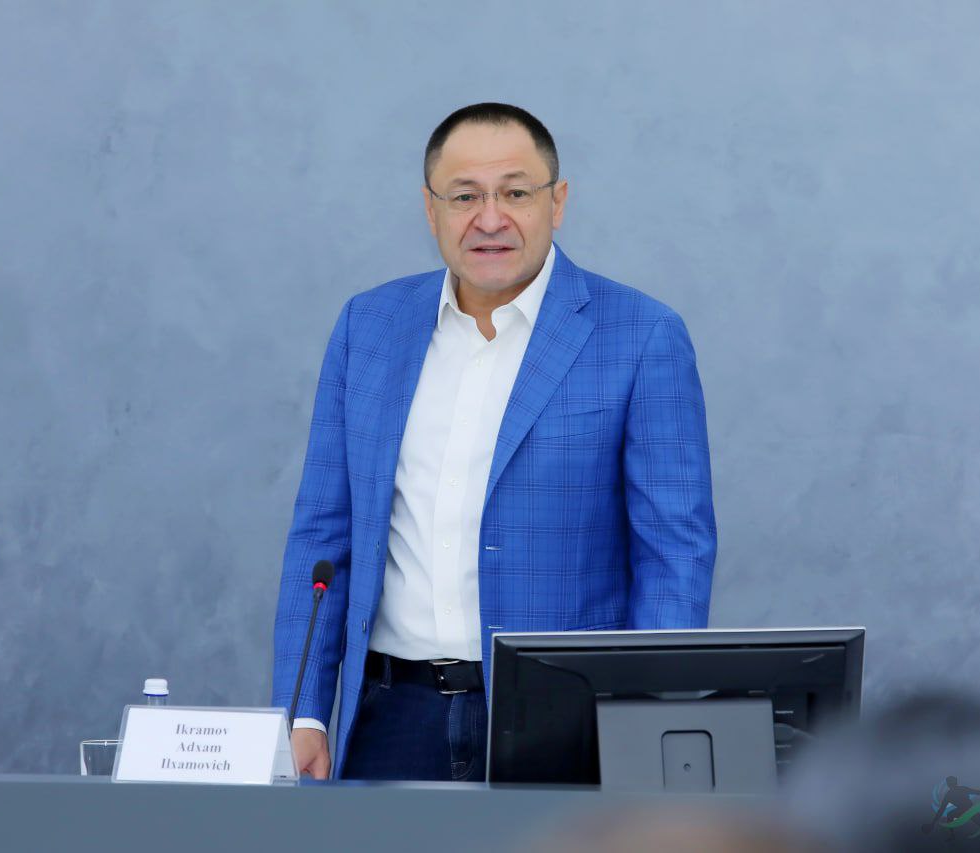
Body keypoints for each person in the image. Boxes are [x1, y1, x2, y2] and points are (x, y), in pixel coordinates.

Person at [271, 103, 717, 781]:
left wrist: (649, 724)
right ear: (430, 210)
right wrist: (304, 713)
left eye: (515, 193)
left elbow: (674, 557)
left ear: (557, 202)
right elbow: (321, 536)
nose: (489, 218)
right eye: (464, 196)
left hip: (569, 720)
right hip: (392, 715)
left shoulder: (641, 336)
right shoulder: (369, 326)